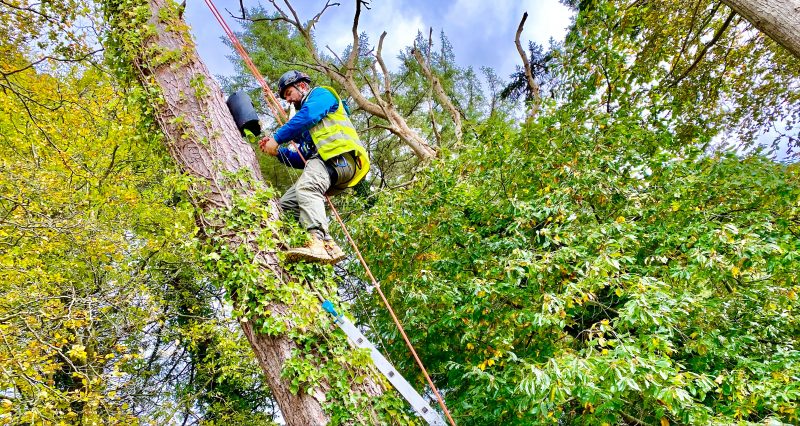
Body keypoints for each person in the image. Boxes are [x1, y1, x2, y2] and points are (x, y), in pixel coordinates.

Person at [259, 70, 369, 264]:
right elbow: (303, 159)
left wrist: (277, 139)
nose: (288, 101)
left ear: (301, 86)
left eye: (289, 94)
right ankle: (326, 246)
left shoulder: (322, 95)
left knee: (307, 188)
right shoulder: (311, 131)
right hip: (329, 168)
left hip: (339, 159)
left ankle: (317, 240)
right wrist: (278, 153)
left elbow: (308, 115)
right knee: (286, 205)